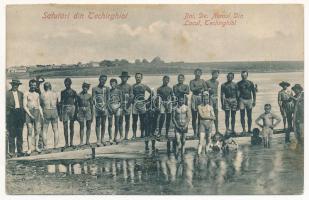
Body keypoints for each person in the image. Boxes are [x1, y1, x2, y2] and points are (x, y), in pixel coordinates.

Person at [24, 79, 44, 154]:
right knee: (29, 131)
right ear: (29, 85)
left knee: (37, 131)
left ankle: (36, 147)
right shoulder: (26, 93)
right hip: (29, 113)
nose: (33, 87)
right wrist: (30, 115)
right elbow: (24, 106)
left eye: (34, 86)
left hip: (37, 113)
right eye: (32, 85)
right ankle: (29, 149)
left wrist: (42, 115)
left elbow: (39, 106)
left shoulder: (37, 94)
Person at [6, 79, 25, 157]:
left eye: (17, 85)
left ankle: (20, 151)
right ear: (12, 85)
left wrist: (23, 116)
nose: (15, 86)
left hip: (20, 114)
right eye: (14, 84)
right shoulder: (7, 94)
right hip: (11, 115)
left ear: (18, 86)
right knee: (11, 134)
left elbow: (23, 105)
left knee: (20, 134)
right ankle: (12, 152)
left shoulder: (21, 94)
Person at [40, 82, 60, 149]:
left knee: (44, 130)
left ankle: (45, 146)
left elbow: (41, 104)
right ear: (50, 87)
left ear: (44, 87)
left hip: (46, 111)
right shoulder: (55, 94)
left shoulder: (42, 94)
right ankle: (56, 145)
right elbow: (57, 104)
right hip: (54, 110)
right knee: (55, 130)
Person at [132, 73, 152, 139]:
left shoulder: (144, 86)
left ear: (141, 78)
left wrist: (147, 100)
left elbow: (152, 93)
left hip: (142, 103)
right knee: (134, 120)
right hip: (135, 104)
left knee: (142, 120)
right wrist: (132, 101)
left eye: (139, 77)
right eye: (137, 77)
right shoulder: (132, 86)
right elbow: (130, 95)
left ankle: (142, 134)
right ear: (135, 78)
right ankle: (134, 135)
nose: (138, 78)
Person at [190, 68, 208, 137]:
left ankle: (200, 132)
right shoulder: (192, 81)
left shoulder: (203, 81)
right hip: (194, 97)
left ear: (201, 74)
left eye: (199, 73)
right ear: (194, 73)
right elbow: (192, 89)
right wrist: (200, 88)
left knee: (201, 117)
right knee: (194, 117)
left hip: (201, 97)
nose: (197, 74)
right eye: (196, 73)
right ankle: (195, 132)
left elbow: (206, 89)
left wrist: (198, 88)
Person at [92, 74, 110, 146]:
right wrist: (97, 105)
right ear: (99, 79)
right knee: (97, 124)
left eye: (105, 80)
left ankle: (102, 138)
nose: (103, 81)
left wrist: (105, 106)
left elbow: (108, 99)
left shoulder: (107, 88)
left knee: (103, 124)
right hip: (97, 108)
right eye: (102, 79)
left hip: (104, 108)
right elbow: (93, 99)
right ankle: (98, 139)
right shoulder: (94, 88)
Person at [60, 77, 77, 148]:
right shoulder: (62, 92)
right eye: (65, 83)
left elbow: (76, 103)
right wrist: (60, 114)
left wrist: (76, 113)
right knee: (65, 126)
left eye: (68, 83)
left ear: (70, 83)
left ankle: (71, 142)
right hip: (65, 108)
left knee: (71, 126)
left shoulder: (74, 92)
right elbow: (61, 102)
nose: (66, 84)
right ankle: (66, 143)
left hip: (72, 107)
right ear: (64, 84)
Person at [76, 81, 93, 146]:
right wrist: (77, 113)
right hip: (81, 110)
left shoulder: (90, 95)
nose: (85, 88)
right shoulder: (79, 95)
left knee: (88, 126)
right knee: (82, 126)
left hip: (88, 110)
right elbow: (77, 104)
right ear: (82, 87)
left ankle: (87, 141)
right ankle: (81, 141)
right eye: (84, 87)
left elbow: (91, 106)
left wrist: (92, 115)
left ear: (88, 88)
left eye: (86, 87)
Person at [118, 71, 133, 141]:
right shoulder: (118, 86)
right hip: (120, 106)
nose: (124, 78)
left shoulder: (130, 86)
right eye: (123, 77)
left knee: (127, 121)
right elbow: (116, 97)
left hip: (128, 105)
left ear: (127, 78)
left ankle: (126, 136)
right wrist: (121, 107)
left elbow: (131, 97)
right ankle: (121, 135)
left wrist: (126, 107)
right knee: (120, 121)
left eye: (125, 77)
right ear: (121, 78)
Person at [108, 78, 123, 144]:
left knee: (116, 124)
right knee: (110, 124)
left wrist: (117, 108)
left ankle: (115, 137)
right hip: (110, 108)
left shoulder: (119, 91)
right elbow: (107, 101)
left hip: (117, 107)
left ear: (116, 84)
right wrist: (110, 109)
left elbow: (121, 101)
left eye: (113, 83)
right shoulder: (109, 91)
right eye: (111, 83)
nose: (112, 85)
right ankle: (110, 138)